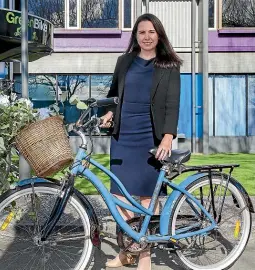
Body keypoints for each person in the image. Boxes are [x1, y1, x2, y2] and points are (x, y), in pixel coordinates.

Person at [100, 13, 182, 269]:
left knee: (147, 199)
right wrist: (108, 113)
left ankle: (144, 256)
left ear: (159, 35)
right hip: (123, 136)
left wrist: (167, 137)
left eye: (151, 32)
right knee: (120, 199)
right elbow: (114, 95)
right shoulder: (124, 62)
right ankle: (127, 252)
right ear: (135, 35)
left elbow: (172, 104)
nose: (146, 37)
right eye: (141, 32)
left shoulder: (169, 65)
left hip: (151, 137)